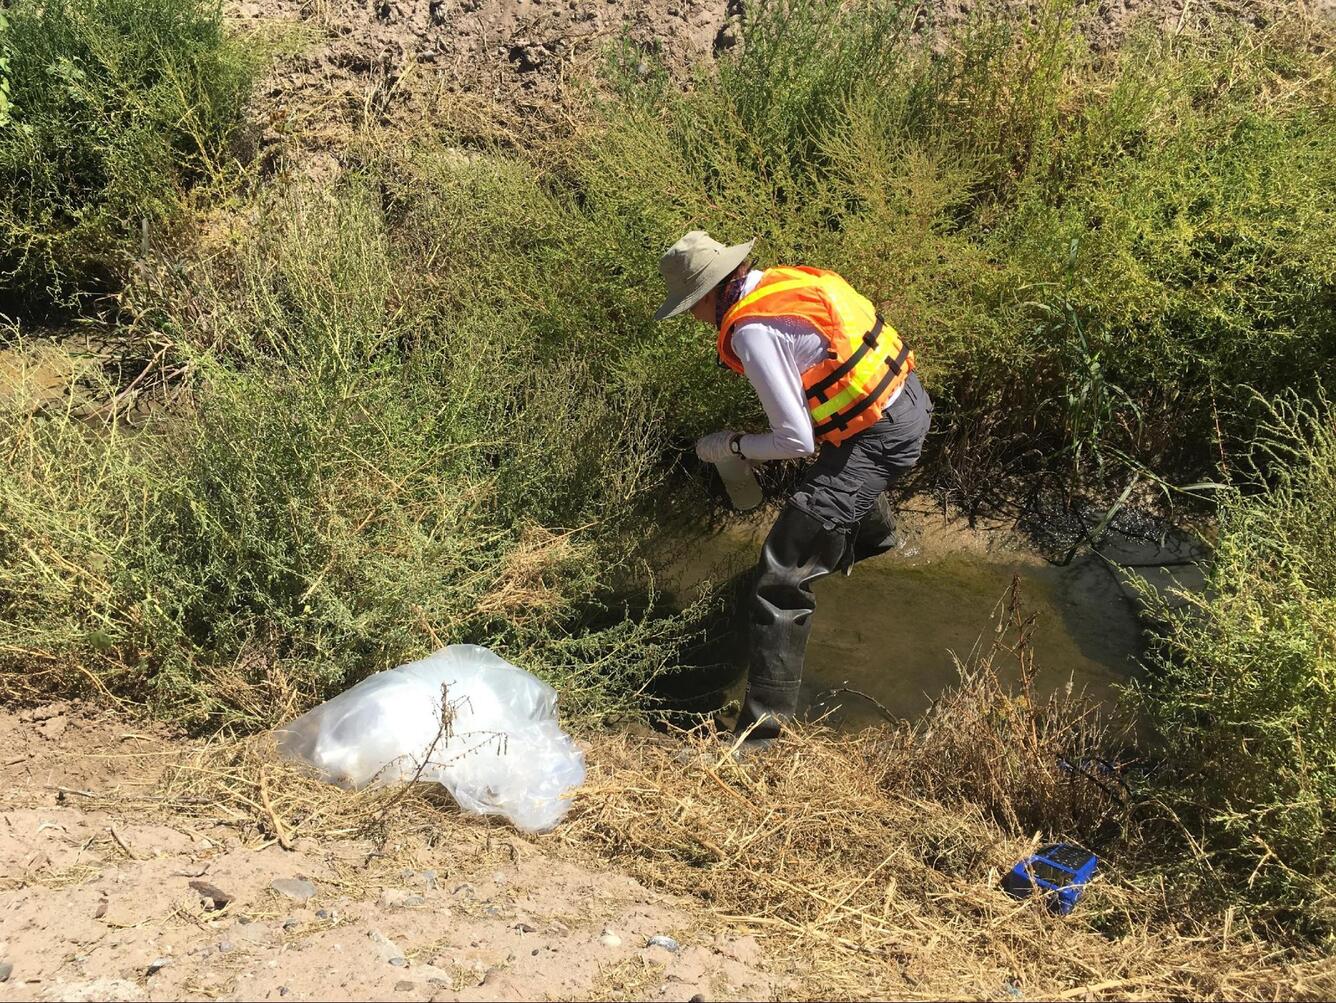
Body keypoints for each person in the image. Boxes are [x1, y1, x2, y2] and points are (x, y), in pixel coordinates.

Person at [655, 230, 933, 750]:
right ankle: (873, 539)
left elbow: (796, 439)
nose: (692, 318)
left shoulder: (751, 331)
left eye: (691, 305)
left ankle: (760, 742)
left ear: (712, 291)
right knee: (836, 486)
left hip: (877, 437)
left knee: (779, 576)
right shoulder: (784, 283)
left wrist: (731, 445)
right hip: (908, 401)